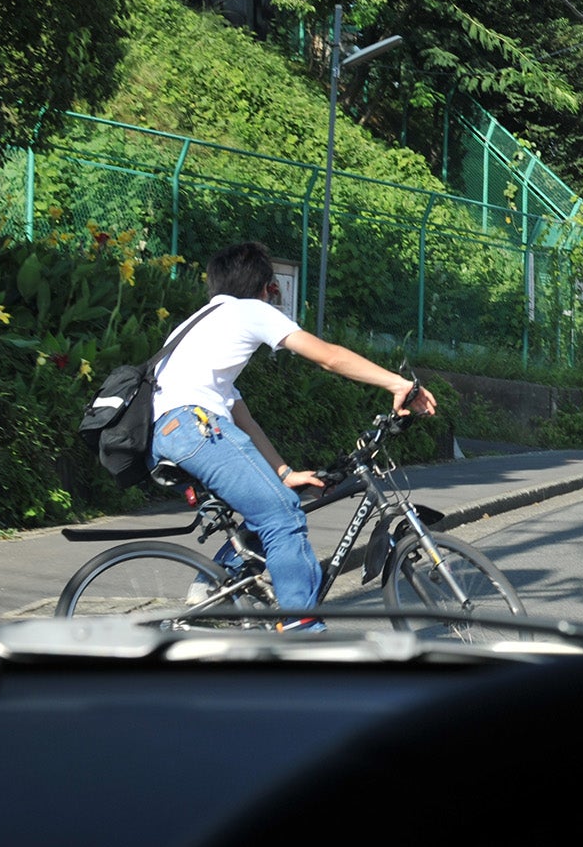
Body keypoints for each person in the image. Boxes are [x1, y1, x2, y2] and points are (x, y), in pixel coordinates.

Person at [150, 241, 433, 630]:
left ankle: (209, 590)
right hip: (194, 428)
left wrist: (284, 472)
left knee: (275, 503)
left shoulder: (201, 322)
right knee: (284, 517)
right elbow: (329, 357)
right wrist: (397, 384)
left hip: (175, 432)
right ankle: (302, 630)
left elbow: (239, 412)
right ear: (263, 286)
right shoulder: (248, 310)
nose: (275, 296)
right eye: (273, 288)